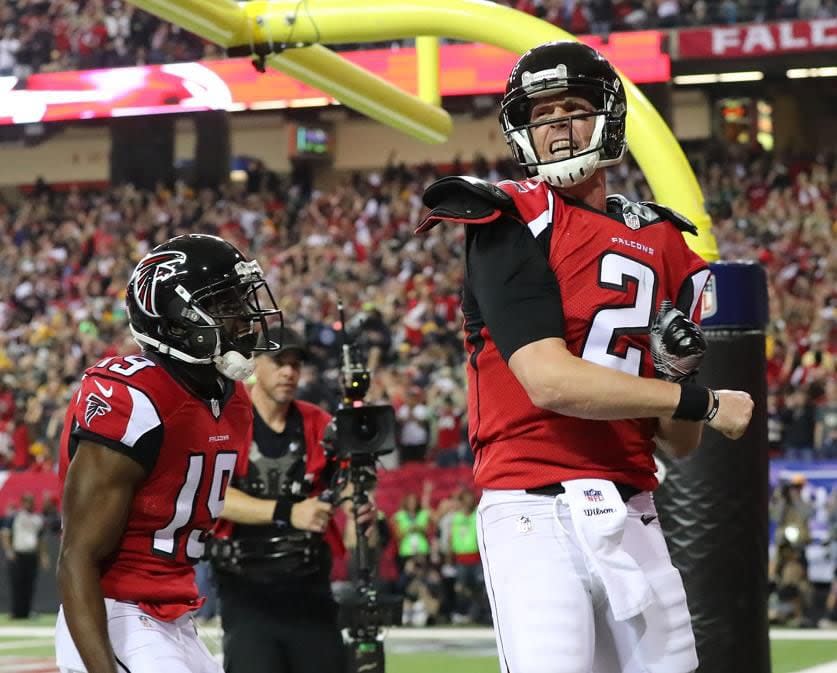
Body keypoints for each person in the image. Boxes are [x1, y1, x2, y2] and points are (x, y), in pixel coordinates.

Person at [417, 41, 754, 673]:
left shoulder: (663, 239)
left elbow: (677, 445)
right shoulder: (510, 217)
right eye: (541, 114)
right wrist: (701, 398)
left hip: (634, 508)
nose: (556, 127)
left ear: (608, 115)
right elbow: (549, 381)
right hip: (533, 508)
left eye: (571, 107)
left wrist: (678, 376)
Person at [55, 234, 282, 673]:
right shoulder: (134, 398)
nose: (245, 318)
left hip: (175, 615)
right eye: (224, 305)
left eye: (242, 300)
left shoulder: (231, 399)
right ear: (175, 323)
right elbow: (76, 555)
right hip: (114, 609)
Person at [210, 325, 373, 673]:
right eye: (279, 361)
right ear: (254, 363)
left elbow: (347, 480)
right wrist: (289, 511)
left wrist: (357, 507)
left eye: (296, 364)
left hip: (311, 591)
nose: (289, 372)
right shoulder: (225, 418)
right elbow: (212, 496)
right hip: (246, 594)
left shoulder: (317, 422)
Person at [1, 493, 49, 619]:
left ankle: (26, 612)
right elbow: (5, 534)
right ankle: (16, 612)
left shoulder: (37, 519)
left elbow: (40, 539)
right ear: (22, 503)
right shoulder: (14, 517)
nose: (30, 504)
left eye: (31, 501)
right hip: (18, 554)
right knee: (17, 584)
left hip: (31, 555)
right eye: (27, 501)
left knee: (29, 584)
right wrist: (9, 550)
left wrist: (43, 556)